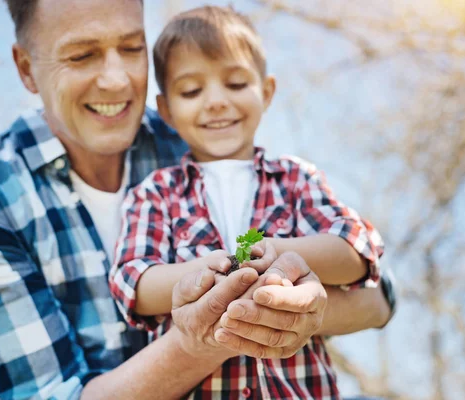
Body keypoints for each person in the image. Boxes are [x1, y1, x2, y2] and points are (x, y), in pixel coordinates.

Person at [0, 0, 396, 398]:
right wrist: (220, 329)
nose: (116, 81)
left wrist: (295, 304)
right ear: (27, 69)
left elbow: (376, 289)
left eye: (131, 48)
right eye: (81, 55)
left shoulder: (192, 139)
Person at [109, 6, 384, 399]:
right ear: (166, 110)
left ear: (266, 91)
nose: (217, 101)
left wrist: (273, 253)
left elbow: (355, 250)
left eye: (236, 84)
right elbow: (134, 282)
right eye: (192, 91)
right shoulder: (154, 193)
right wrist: (217, 271)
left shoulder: (295, 177)